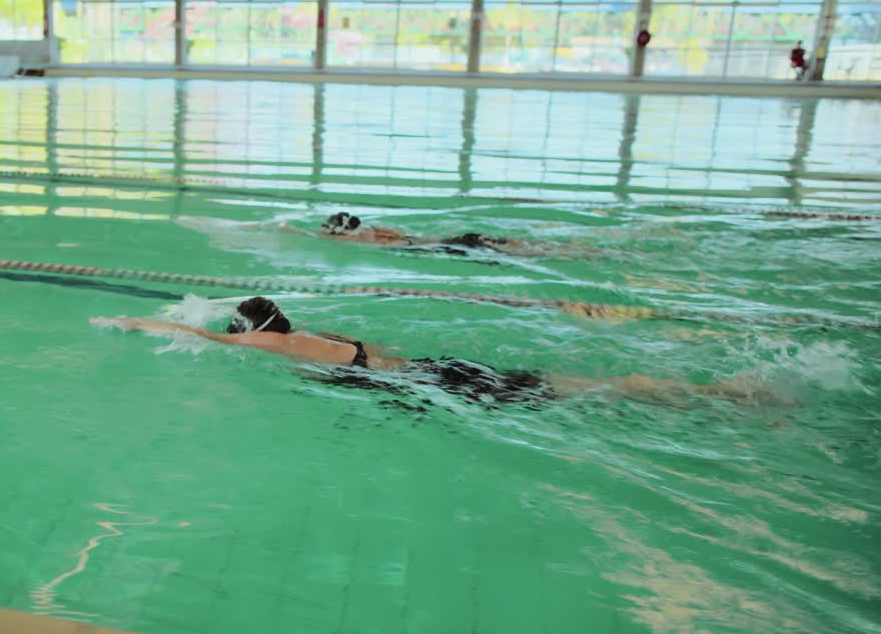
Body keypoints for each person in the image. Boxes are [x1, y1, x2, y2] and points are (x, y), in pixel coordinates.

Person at [92, 297, 783, 407]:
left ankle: (726, 395)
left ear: (256, 330)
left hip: (449, 388)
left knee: (588, 394)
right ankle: (720, 391)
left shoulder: (278, 343)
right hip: (441, 370)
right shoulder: (326, 338)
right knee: (579, 385)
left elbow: (199, 335)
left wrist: (134, 323)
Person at [317, 212, 574, 258]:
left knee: (533, 253)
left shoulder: (367, 240)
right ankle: (578, 249)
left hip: (461, 247)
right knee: (536, 248)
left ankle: (576, 251)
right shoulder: (376, 233)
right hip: (466, 239)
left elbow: (324, 237)